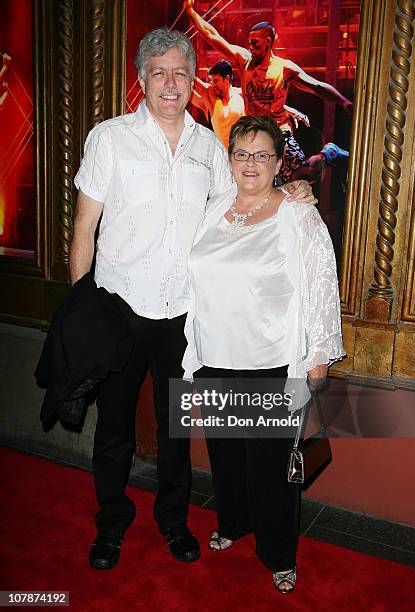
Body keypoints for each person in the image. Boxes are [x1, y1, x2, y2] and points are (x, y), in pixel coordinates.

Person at [70, 27, 315, 571]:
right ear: (141, 80)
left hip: (182, 316)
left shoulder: (209, 146)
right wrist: (81, 311)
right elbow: (84, 226)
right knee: (113, 430)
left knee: (175, 430)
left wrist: (294, 190)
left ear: (192, 80)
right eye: (159, 72)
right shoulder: (109, 138)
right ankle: (110, 525)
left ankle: (174, 523)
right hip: (118, 308)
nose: (171, 83)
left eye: (181, 72)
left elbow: (246, 202)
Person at [182, 115, 345, 593]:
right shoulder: (211, 208)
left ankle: (277, 552)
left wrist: (318, 355)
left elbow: (320, 282)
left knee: (272, 467)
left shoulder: (297, 212)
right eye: (241, 153)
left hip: (269, 358)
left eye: (261, 154)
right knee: (226, 455)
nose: (250, 163)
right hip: (214, 353)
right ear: (228, 159)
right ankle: (233, 522)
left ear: (279, 163)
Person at [184, 0, 352, 182]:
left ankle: (329, 153)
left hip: (279, 131)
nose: (250, 47)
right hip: (255, 134)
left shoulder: (284, 69)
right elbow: (213, 36)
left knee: (306, 175)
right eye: (249, 43)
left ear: (268, 42)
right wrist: (192, 13)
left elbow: (316, 86)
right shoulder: (244, 61)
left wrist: (343, 101)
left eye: (255, 43)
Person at [191, 59, 309, 150]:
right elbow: (193, 81)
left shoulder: (242, 95)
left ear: (226, 79)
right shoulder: (211, 97)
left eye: (215, 80)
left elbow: (269, 104)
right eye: (211, 81)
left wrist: (294, 112)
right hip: (225, 157)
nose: (213, 84)